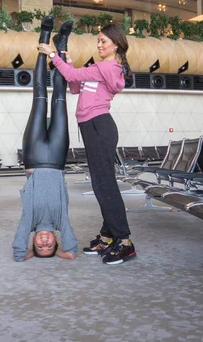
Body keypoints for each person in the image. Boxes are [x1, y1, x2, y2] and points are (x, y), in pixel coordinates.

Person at [38, 23, 136, 266]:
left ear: (116, 43)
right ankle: (107, 236)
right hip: (92, 127)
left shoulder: (109, 66)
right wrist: (67, 63)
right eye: (98, 40)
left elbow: (72, 76)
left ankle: (124, 242)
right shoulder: (99, 68)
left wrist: (52, 54)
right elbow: (74, 86)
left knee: (105, 185)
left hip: (99, 126)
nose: (99, 44)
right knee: (102, 184)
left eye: (104, 41)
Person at [12, 16, 78, 262]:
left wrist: (29, 254)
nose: (44, 241)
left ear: (33, 241)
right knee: (59, 98)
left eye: (40, 246)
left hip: (35, 155)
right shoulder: (62, 222)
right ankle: (61, 43)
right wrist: (61, 253)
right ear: (55, 240)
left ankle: (44, 36)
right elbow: (71, 250)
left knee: (40, 96)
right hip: (58, 159)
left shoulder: (28, 221)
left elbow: (19, 254)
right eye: (49, 245)